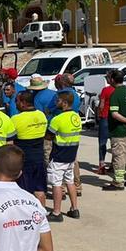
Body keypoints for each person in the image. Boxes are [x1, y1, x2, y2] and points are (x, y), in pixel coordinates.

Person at [46, 90, 82, 221]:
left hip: (59, 155)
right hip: (71, 154)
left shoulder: (57, 119)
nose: (56, 102)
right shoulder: (76, 117)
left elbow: (48, 136)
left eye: (58, 100)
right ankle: (74, 208)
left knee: (56, 184)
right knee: (70, 182)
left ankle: (56, 212)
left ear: (65, 103)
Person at [104, 69, 126, 191]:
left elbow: (114, 114)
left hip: (119, 130)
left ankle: (118, 182)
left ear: (113, 80)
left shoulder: (116, 94)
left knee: (119, 155)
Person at [10, 91, 49, 204]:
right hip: (39, 159)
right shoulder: (42, 115)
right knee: (40, 190)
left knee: (23, 191)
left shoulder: (15, 119)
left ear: (23, 103)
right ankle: (42, 216)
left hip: (23, 161)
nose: (15, 104)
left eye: (17, 101)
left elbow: (9, 140)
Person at [96, 72, 116, 175]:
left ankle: (102, 165)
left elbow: (101, 105)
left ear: (111, 78)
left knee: (102, 142)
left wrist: (98, 114)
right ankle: (114, 164)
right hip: (115, 118)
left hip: (105, 117)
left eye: (107, 77)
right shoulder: (118, 90)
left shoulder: (106, 90)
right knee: (114, 143)